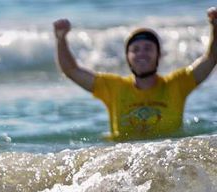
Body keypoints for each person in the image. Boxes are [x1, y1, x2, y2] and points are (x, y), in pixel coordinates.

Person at [53, 7, 217, 141]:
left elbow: (211, 59)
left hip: (167, 158)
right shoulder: (113, 87)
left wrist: (215, 27)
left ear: (159, 55)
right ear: (128, 57)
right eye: (135, 50)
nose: (142, 54)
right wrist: (61, 40)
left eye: (148, 48)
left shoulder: (177, 84)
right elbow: (71, 71)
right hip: (125, 161)